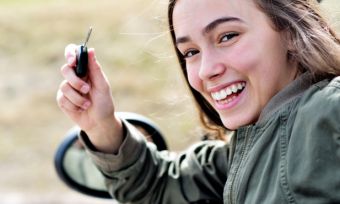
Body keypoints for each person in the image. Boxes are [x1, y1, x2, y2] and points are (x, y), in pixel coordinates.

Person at [56, 0, 340, 203]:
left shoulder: (326, 112)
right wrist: (101, 124)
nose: (206, 70)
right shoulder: (243, 151)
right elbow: (159, 187)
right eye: (190, 52)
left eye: (227, 36)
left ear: (292, 30)